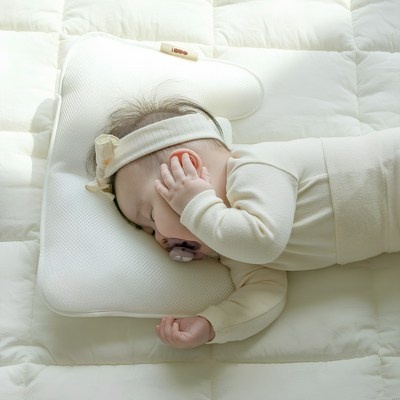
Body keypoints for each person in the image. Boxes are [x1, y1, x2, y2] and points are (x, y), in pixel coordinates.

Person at [86, 96, 400, 349]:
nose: (158, 239)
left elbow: (264, 241)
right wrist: (213, 324)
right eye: (149, 232)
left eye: (152, 218)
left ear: (186, 168)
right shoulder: (231, 247)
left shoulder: (255, 166)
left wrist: (198, 205)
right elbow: (265, 295)